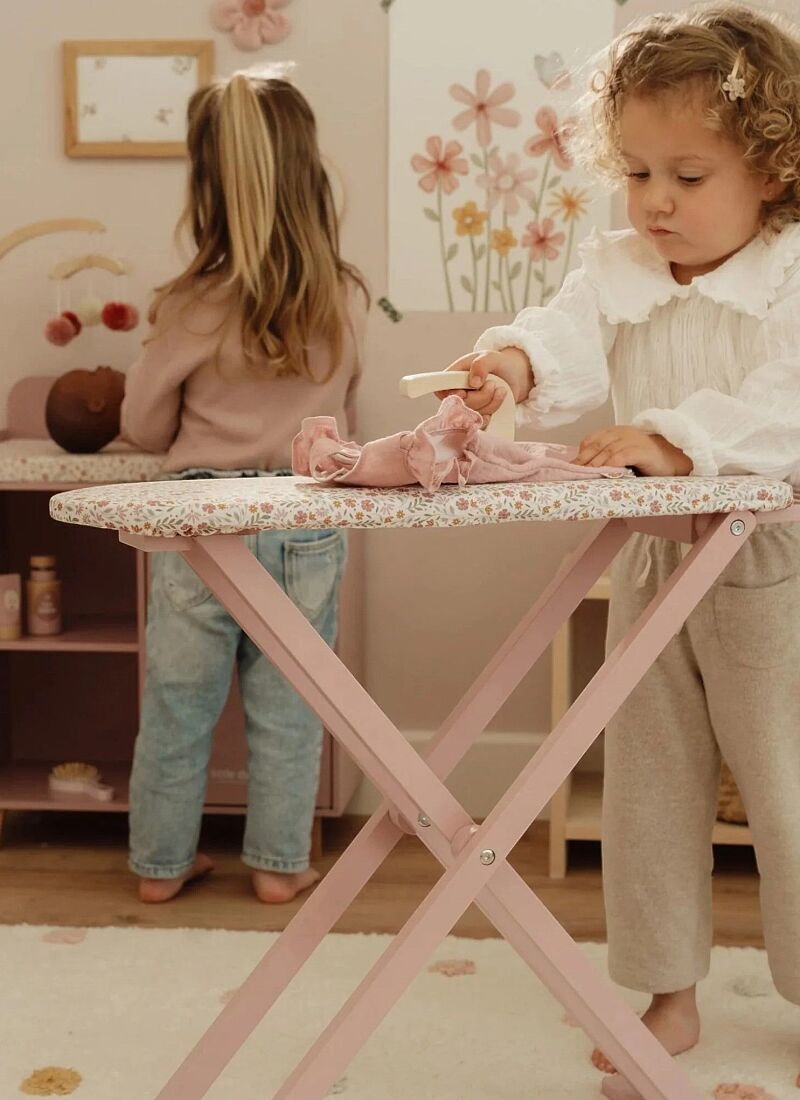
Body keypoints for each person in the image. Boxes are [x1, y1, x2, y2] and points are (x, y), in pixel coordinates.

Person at [437, 5, 800, 1096]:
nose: (654, 202)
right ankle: (665, 985)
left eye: (686, 177)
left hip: (770, 570)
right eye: (637, 172)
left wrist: (675, 439)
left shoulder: (789, 276)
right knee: (647, 785)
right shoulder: (617, 268)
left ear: (771, 170)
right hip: (652, 563)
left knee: (786, 792)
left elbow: (782, 406)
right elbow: (560, 334)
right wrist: (505, 364)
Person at [120, 69, 369, 906]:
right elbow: (344, 414)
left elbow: (146, 429)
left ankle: (159, 868)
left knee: (178, 707)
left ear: (205, 185)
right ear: (308, 175)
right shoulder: (341, 294)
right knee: (292, 706)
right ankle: (279, 865)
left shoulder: (191, 304)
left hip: (199, 523)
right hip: (303, 520)